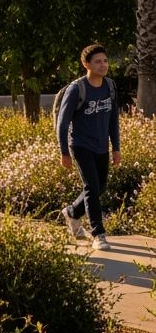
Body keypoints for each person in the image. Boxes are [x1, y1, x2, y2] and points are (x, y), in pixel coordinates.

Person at [58, 44, 120, 252]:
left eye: (105, 61)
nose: (103, 65)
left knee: (99, 187)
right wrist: (64, 151)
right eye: (98, 61)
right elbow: (63, 123)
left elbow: (113, 120)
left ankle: (72, 212)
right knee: (92, 187)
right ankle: (98, 234)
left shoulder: (109, 86)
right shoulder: (77, 89)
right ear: (86, 64)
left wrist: (116, 148)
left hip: (101, 146)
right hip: (81, 145)